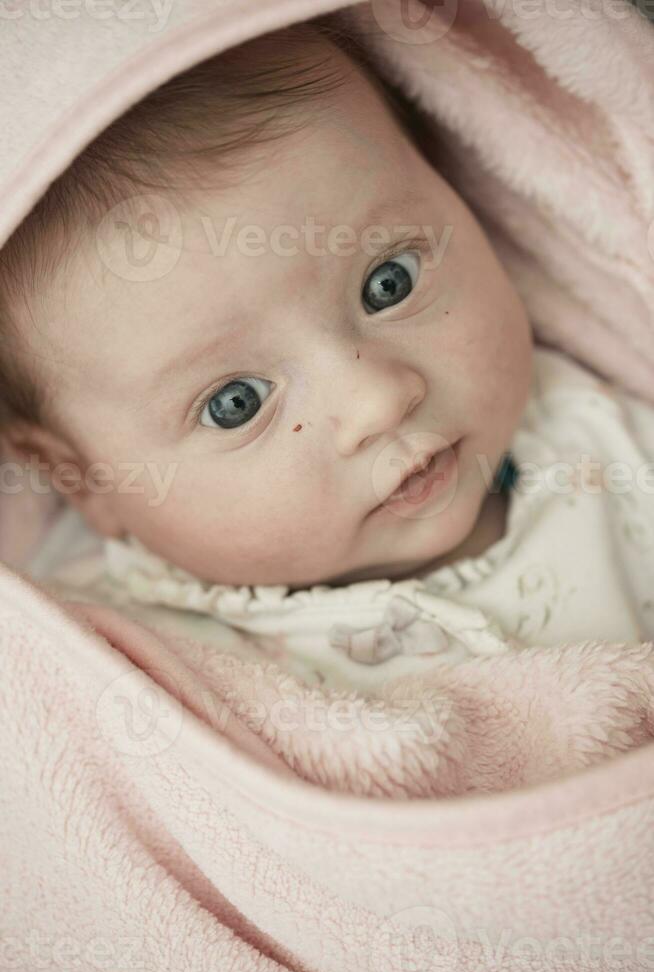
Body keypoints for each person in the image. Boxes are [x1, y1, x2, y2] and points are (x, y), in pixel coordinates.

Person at [1, 18, 653, 694]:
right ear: (79, 477)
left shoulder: (610, 440)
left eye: (388, 282)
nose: (377, 402)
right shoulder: (117, 670)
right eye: (237, 404)